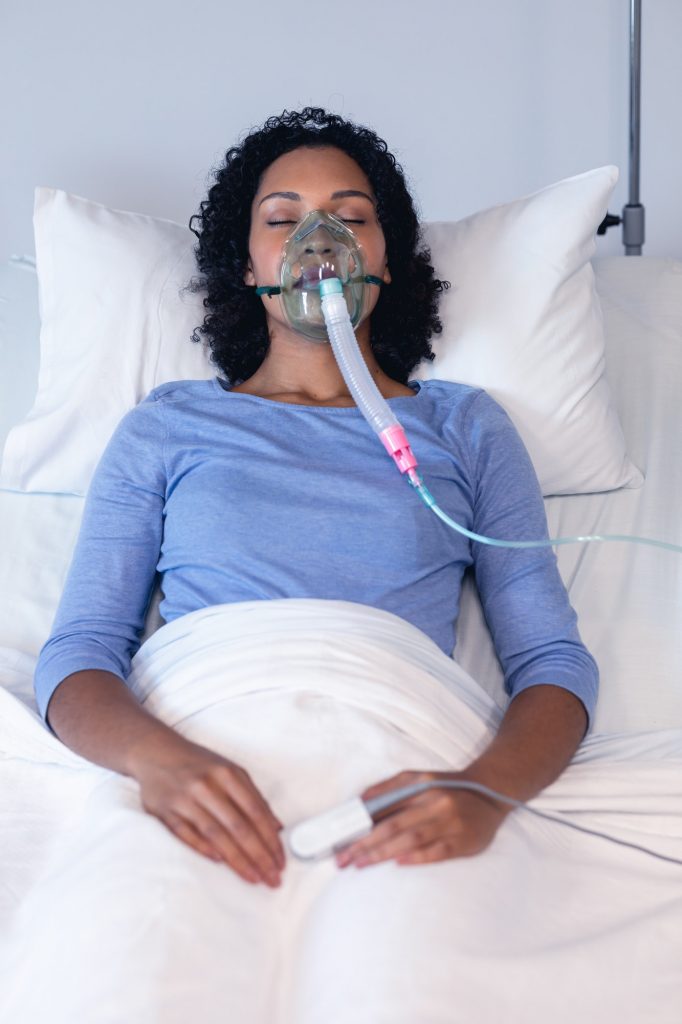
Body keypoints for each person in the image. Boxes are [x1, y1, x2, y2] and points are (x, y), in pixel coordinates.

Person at [34, 107, 597, 894]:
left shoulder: (465, 426)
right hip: (199, 756)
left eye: (351, 217)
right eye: (283, 219)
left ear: (386, 258)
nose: (318, 241)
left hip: (396, 766)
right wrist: (158, 761)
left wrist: (481, 792)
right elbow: (79, 651)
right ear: (248, 263)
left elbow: (553, 663)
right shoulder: (170, 424)